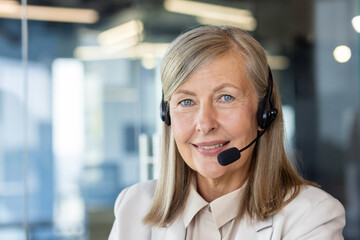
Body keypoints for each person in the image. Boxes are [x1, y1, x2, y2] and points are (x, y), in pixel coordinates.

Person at [108, 25, 345, 240]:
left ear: (264, 113)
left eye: (225, 98)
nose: (204, 124)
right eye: (187, 102)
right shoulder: (134, 206)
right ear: (167, 115)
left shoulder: (312, 216)